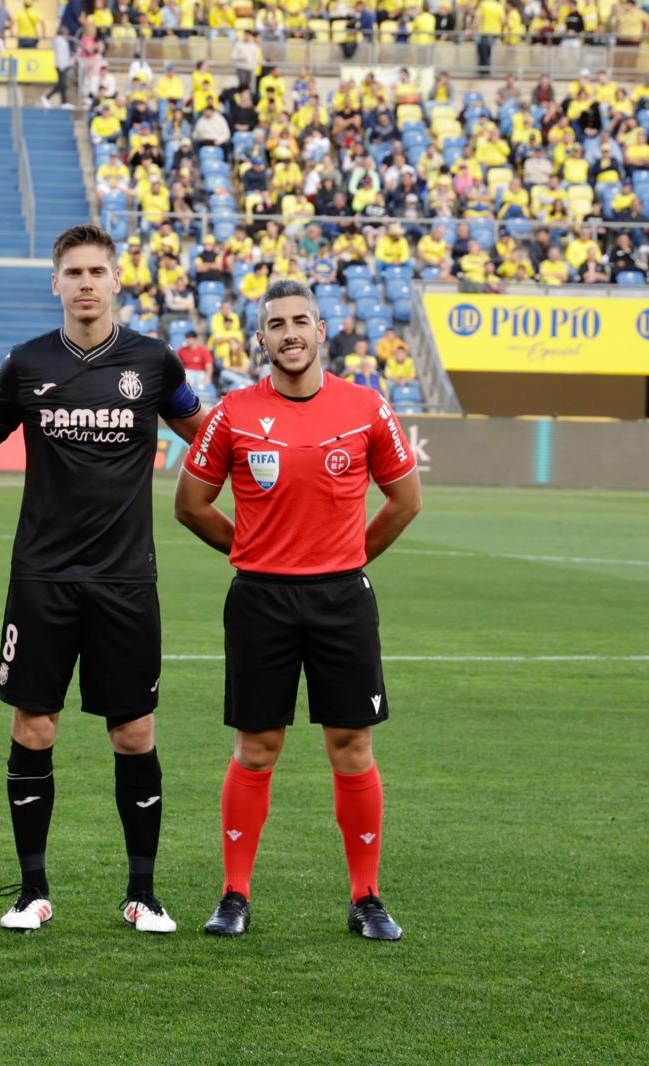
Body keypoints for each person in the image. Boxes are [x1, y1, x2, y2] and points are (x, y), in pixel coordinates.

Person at [173, 278, 422, 941]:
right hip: (260, 598)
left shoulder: (367, 407)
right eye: (275, 323)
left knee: (352, 745)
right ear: (260, 338)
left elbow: (405, 501)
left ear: (321, 330)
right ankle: (233, 895)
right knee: (257, 748)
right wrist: (250, 548)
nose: (289, 332)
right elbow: (190, 506)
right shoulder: (231, 413)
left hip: (342, 598)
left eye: (300, 321)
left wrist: (352, 557)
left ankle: (366, 897)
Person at [0, 224, 206, 934]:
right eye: (72, 272)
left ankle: (143, 894)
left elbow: (213, 441)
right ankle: (31, 892)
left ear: (115, 280)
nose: (84, 283)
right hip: (42, 577)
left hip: (126, 580)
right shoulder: (26, 364)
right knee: (34, 726)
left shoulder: (154, 362)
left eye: (96, 271)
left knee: (134, 732)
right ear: (57, 283)